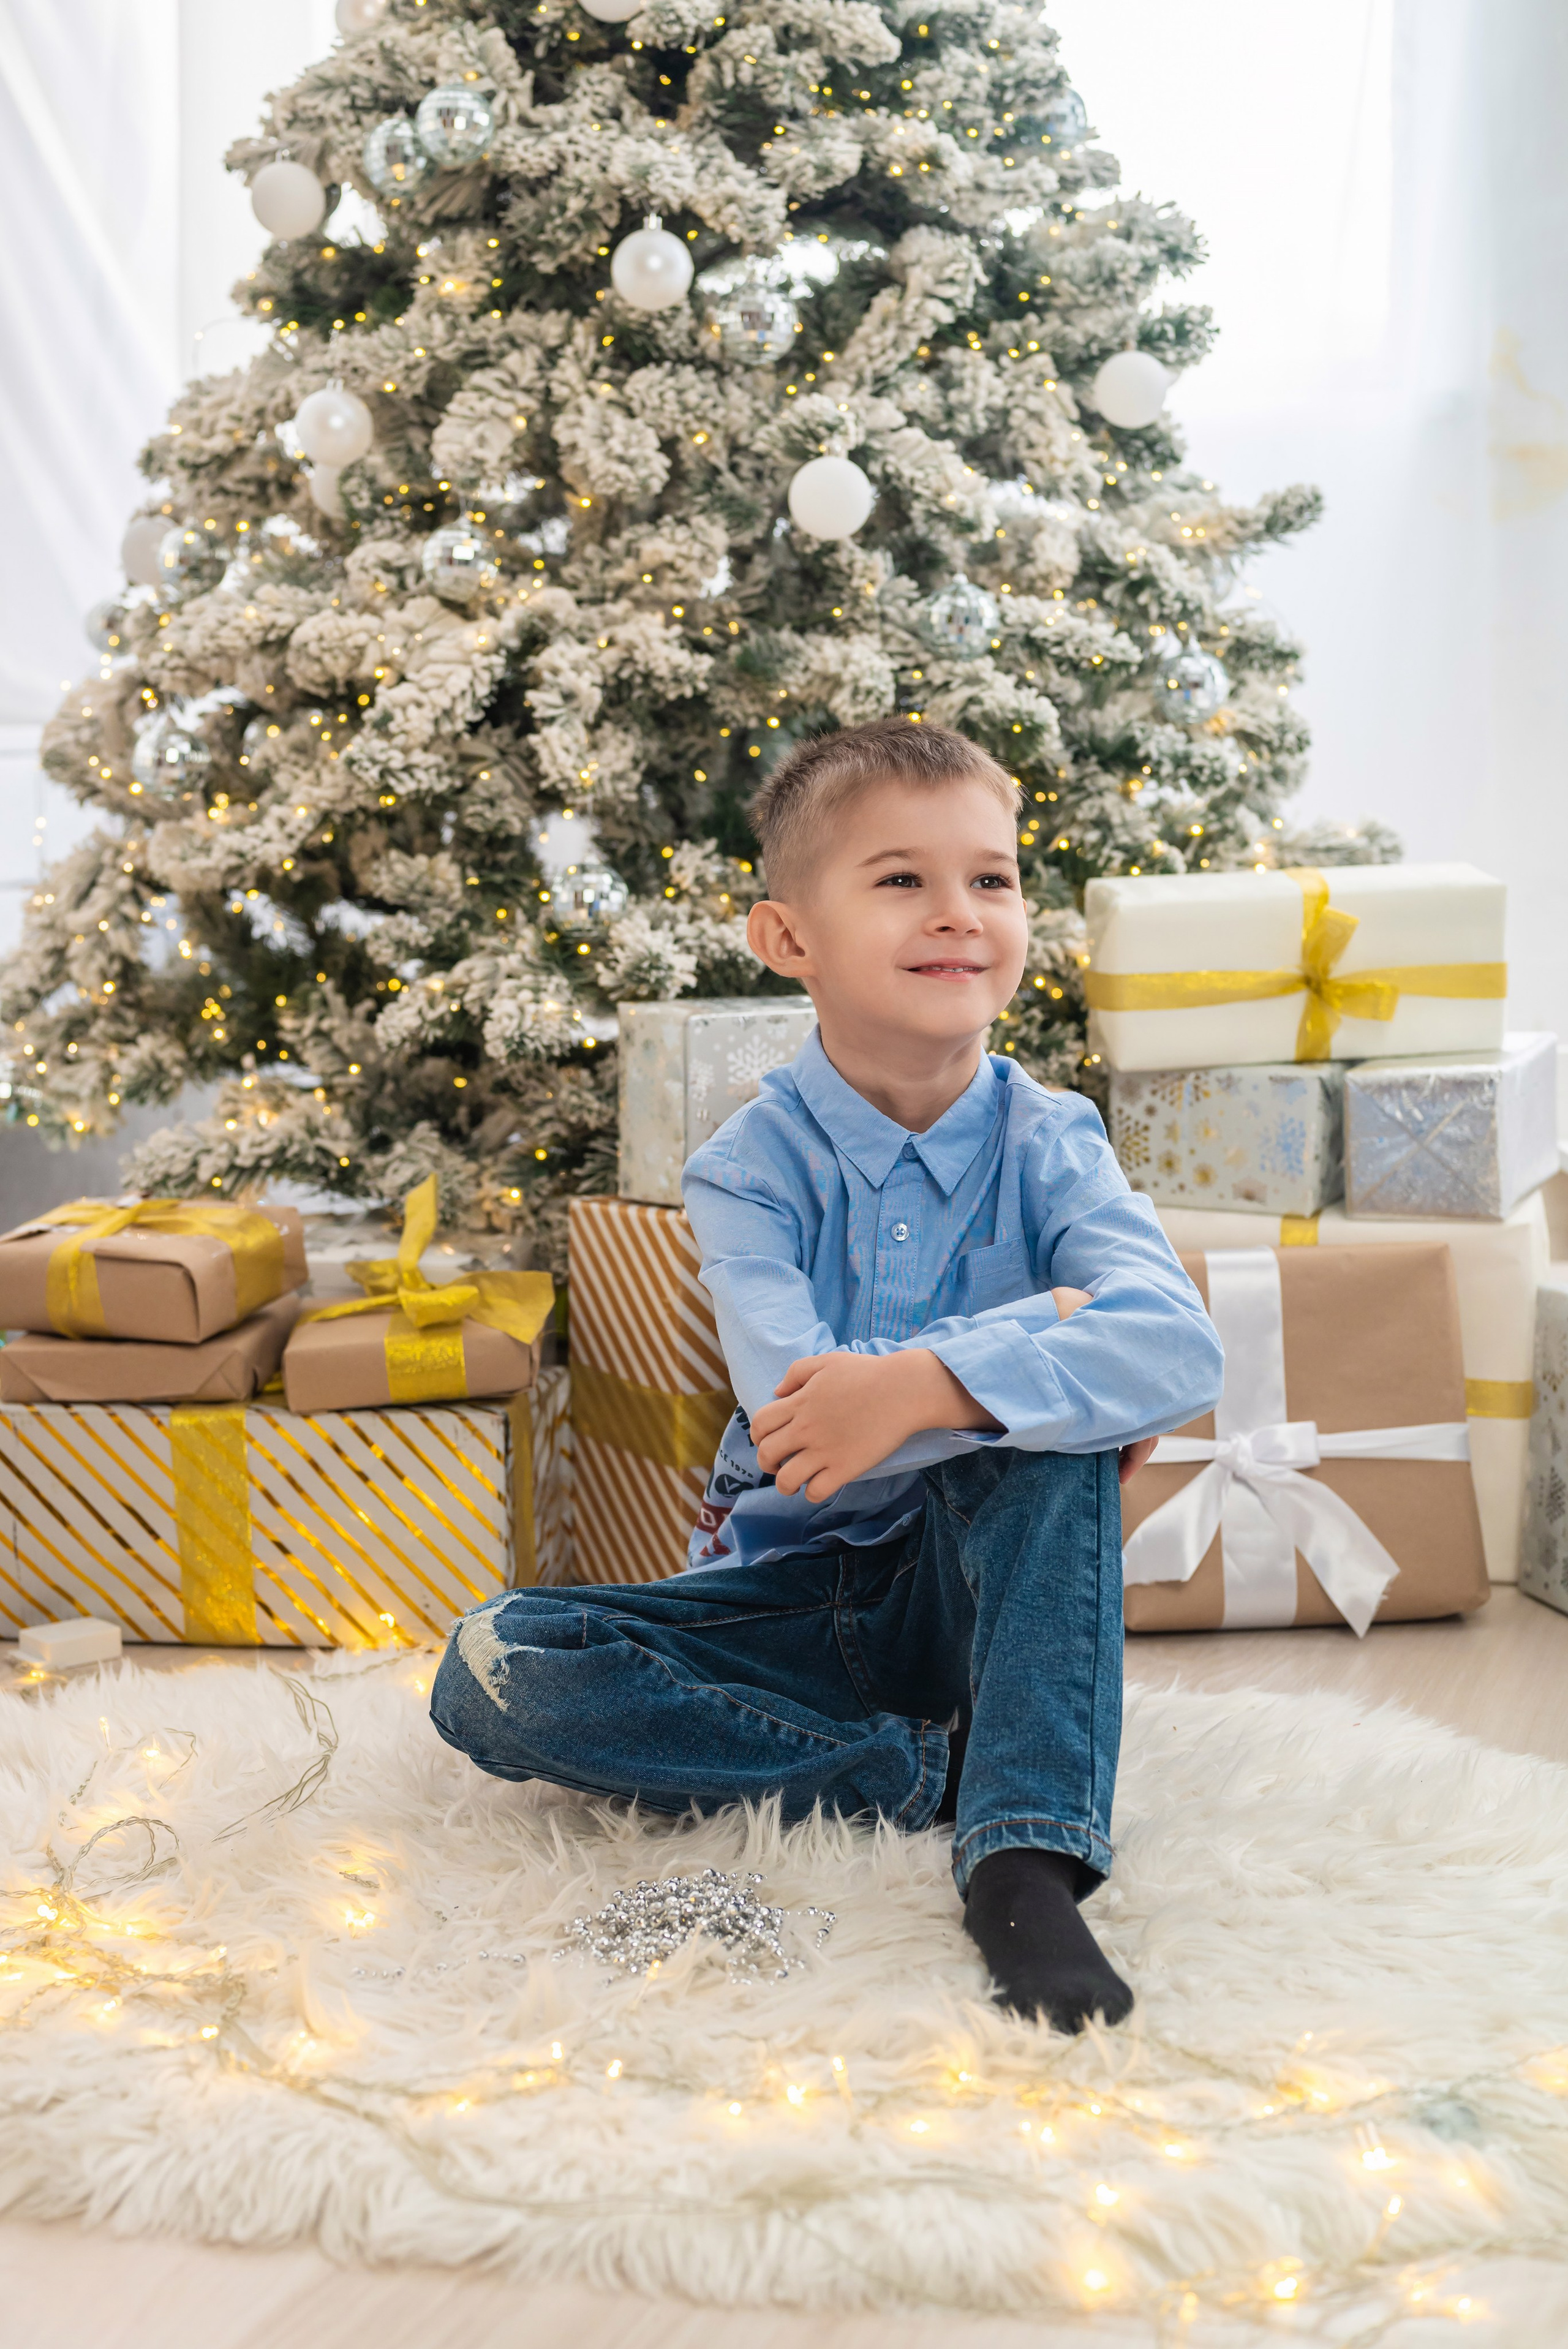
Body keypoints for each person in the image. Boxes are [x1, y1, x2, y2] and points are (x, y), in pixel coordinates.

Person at [431, 716, 1223, 2032]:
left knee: (1047, 1451)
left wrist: (929, 1388)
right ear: (786, 939)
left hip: (981, 1599)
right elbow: (798, 1423)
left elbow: (1181, 1348)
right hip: (791, 1601)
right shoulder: (746, 1166)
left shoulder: (1053, 1142)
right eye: (900, 878)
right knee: (494, 1663)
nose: (957, 914)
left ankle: (1019, 1854)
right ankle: (912, 1772)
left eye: (991, 877)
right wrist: (1047, 1339)